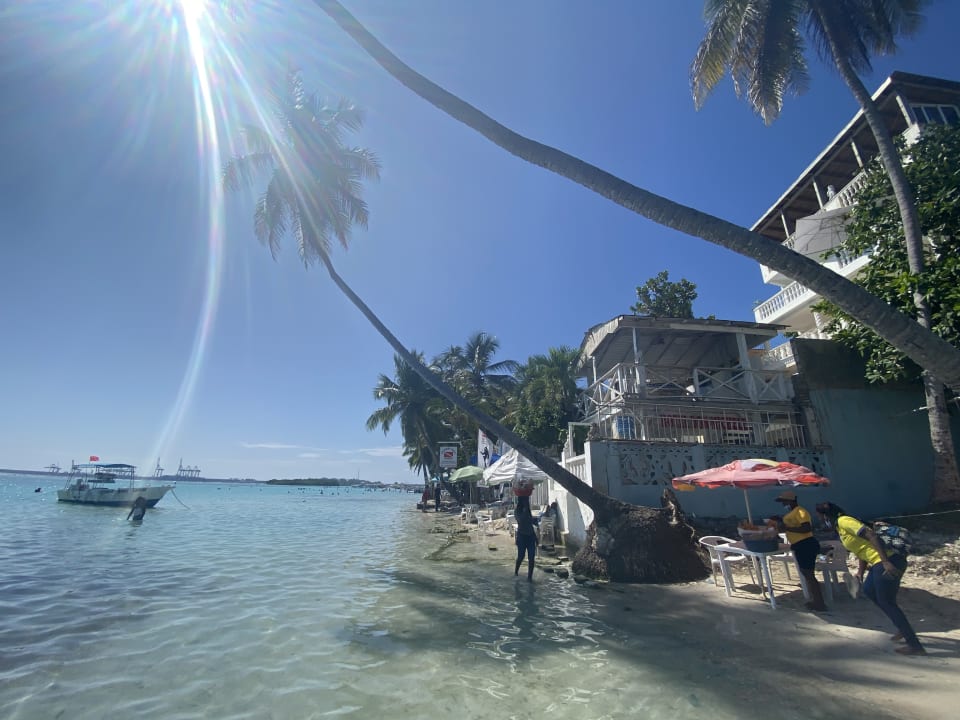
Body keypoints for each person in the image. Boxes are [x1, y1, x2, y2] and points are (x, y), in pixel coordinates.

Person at [816, 502, 926, 656]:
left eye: (821, 517)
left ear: (827, 516)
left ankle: (915, 645)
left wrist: (886, 562)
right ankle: (903, 628)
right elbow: (862, 548)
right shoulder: (840, 528)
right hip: (879, 562)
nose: (821, 521)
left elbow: (871, 535)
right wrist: (860, 573)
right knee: (869, 591)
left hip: (888, 561)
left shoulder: (844, 521)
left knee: (886, 601)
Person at [770, 490, 826, 612]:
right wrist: (780, 520)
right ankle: (815, 600)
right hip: (799, 545)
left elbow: (806, 528)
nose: (783, 504)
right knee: (806, 574)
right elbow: (791, 525)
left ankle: (819, 603)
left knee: (809, 575)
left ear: (791, 501)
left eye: (784, 501)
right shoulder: (792, 513)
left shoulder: (801, 511)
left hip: (805, 544)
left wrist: (787, 527)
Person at [513, 495, 539, 581]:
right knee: (521, 556)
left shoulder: (528, 510)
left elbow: (530, 525)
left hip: (530, 536)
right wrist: (525, 510)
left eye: (527, 500)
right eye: (525, 500)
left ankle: (529, 578)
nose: (527, 502)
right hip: (522, 537)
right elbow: (521, 521)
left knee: (531, 557)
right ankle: (516, 572)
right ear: (521, 501)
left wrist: (535, 538)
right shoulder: (517, 511)